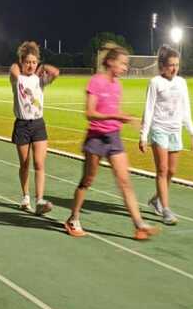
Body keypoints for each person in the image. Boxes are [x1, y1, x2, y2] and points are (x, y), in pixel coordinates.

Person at [64, 44, 159, 240]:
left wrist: (127, 117)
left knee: (125, 181)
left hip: (113, 137)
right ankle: (73, 219)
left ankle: (139, 225)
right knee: (87, 180)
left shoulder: (117, 85)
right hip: (96, 138)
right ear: (110, 62)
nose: (125, 67)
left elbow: (113, 111)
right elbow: (90, 113)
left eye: (126, 64)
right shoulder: (96, 82)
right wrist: (116, 116)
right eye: (122, 63)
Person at [138, 45, 193, 225]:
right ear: (162, 66)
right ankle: (166, 210)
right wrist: (143, 135)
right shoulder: (155, 82)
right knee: (162, 170)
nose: (174, 68)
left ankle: (156, 199)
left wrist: (192, 132)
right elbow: (148, 109)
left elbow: (186, 108)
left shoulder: (182, 83)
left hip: (175, 130)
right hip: (159, 129)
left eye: (176, 65)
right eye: (171, 65)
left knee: (172, 171)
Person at [9, 40, 59, 214]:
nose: (31, 65)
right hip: (22, 125)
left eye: (34, 62)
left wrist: (42, 66)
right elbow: (13, 69)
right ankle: (25, 197)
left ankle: (39, 201)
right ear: (22, 62)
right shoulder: (17, 78)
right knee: (25, 164)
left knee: (39, 163)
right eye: (27, 62)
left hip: (38, 124)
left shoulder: (40, 80)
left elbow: (56, 72)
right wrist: (22, 60)